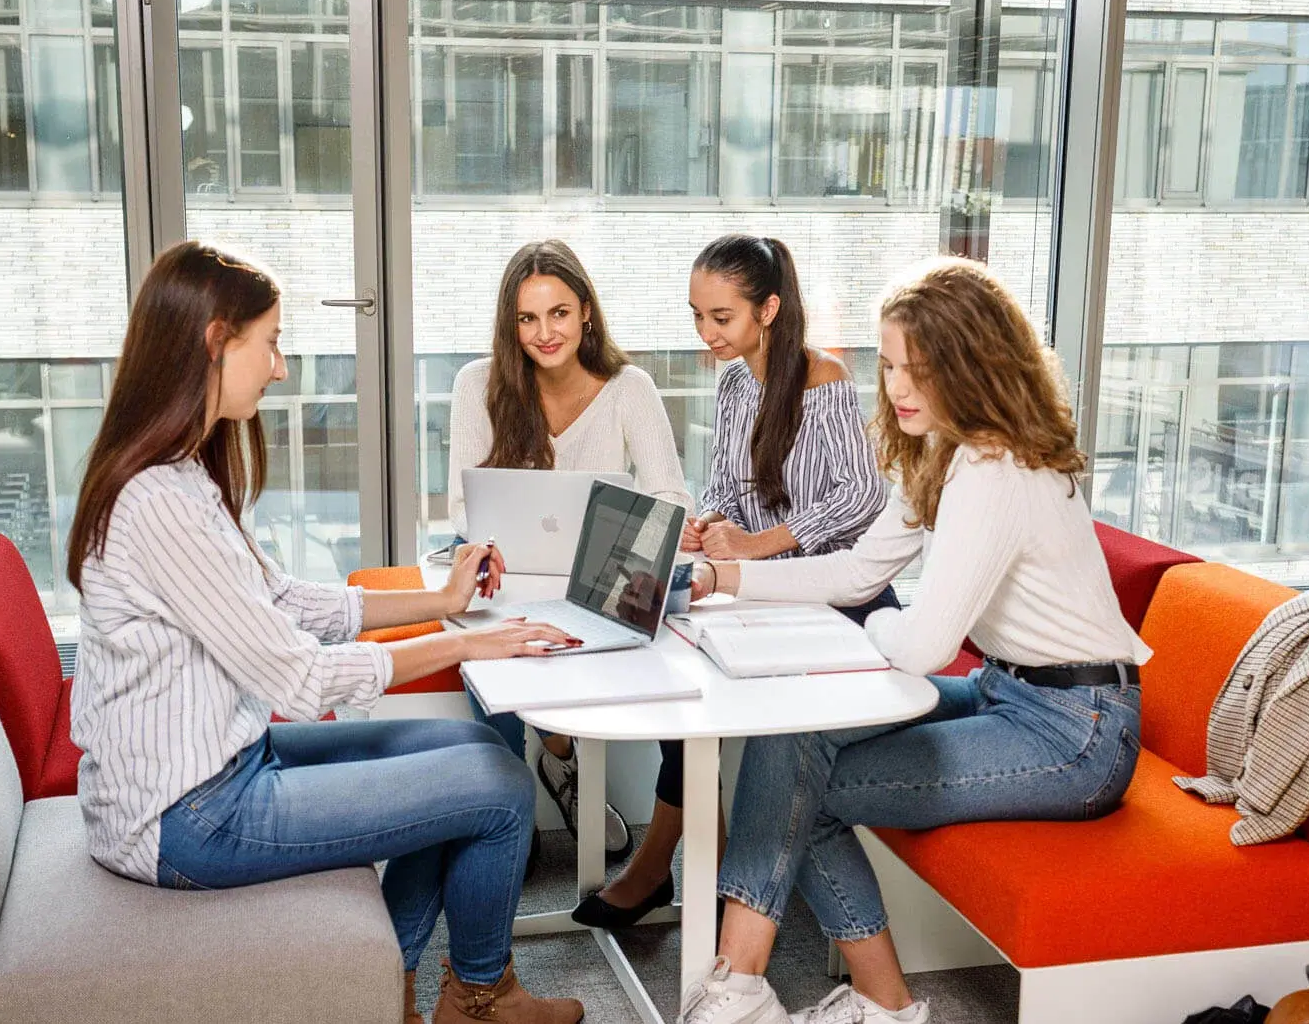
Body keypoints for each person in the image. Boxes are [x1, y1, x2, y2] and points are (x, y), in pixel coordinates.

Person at [67, 240, 583, 1024]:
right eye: (271, 342)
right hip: (188, 816)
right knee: (503, 788)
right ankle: (481, 999)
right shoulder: (159, 502)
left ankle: (392, 996)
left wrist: (437, 596)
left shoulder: (183, 473)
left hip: (226, 761)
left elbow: (284, 601)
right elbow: (301, 683)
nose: (279, 367)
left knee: (473, 751)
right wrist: (465, 641)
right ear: (216, 342)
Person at [675, 256, 1150, 1024]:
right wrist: (727, 580)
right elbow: (861, 568)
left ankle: (772, 993)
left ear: (969, 367)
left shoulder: (996, 467)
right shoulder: (944, 450)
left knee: (809, 789)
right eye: (890, 365)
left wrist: (882, 627)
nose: (895, 388)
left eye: (917, 371)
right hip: (1008, 693)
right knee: (792, 739)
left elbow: (923, 643)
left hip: (1079, 732)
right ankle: (775, 988)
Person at [569, 233, 888, 931]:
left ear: (769, 309)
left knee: (698, 681)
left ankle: (665, 869)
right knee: (671, 664)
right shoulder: (737, 382)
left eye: (722, 317)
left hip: (839, 599)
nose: (707, 333)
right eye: (697, 316)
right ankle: (670, 867)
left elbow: (860, 499)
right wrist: (708, 523)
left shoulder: (823, 378)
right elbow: (729, 491)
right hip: (766, 590)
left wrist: (755, 544)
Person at [449, 239, 693, 865]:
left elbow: (670, 495)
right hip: (510, 569)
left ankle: (558, 757)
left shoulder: (628, 387)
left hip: (601, 575)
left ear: (587, 311)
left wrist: (630, 545)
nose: (544, 332)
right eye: (527, 319)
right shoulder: (477, 384)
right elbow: (462, 504)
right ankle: (504, 808)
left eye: (559, 313)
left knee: (673, 638)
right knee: (488, 651)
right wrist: (494, 549)